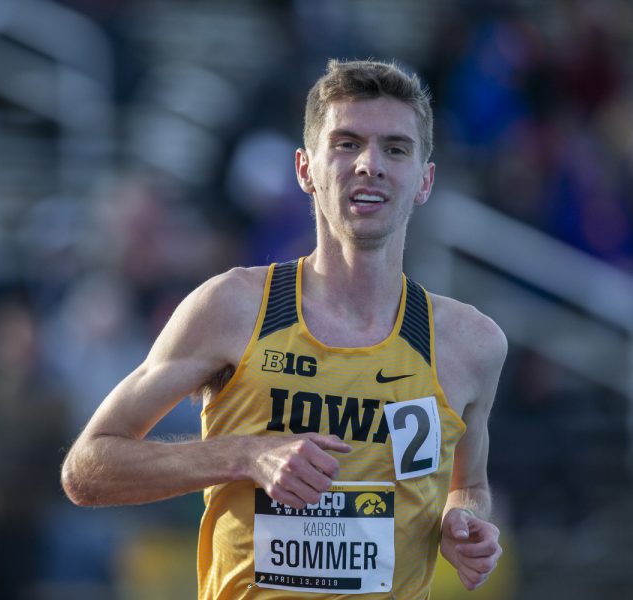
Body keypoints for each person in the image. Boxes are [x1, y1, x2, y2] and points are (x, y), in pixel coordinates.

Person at [62, 58, 506, 599]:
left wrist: (465, 525)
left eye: (395, 148)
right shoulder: (233, 308)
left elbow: (469, 485)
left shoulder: (471, 344)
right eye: (346, 143)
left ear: (424, 180)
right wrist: (245, 455)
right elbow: (87, 468)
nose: (370, 164)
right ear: (304, 169)